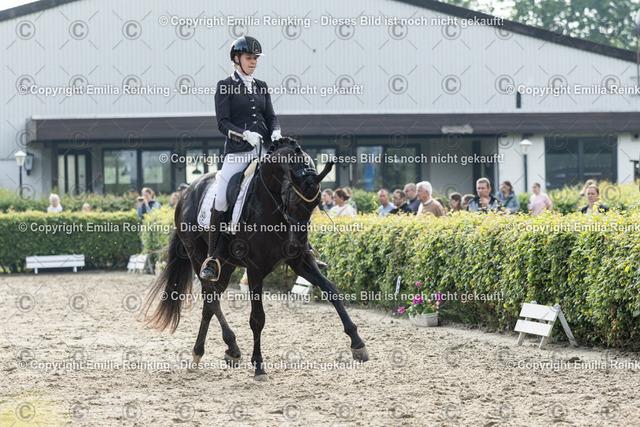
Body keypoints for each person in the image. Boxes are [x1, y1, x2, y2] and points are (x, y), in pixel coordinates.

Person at [201, 36, 322, 280]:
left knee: (288, 188)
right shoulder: (225, 86)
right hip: (238, 153)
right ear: (237, 59)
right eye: (249, 58)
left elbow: (271, 116)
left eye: (255, 58)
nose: (253, 62)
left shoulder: (261, 86)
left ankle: (304, 249)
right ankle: (213, 256)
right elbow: (222, 123)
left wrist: (275, 131)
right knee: (222, 198)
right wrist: (244, 134)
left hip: (265, 151)